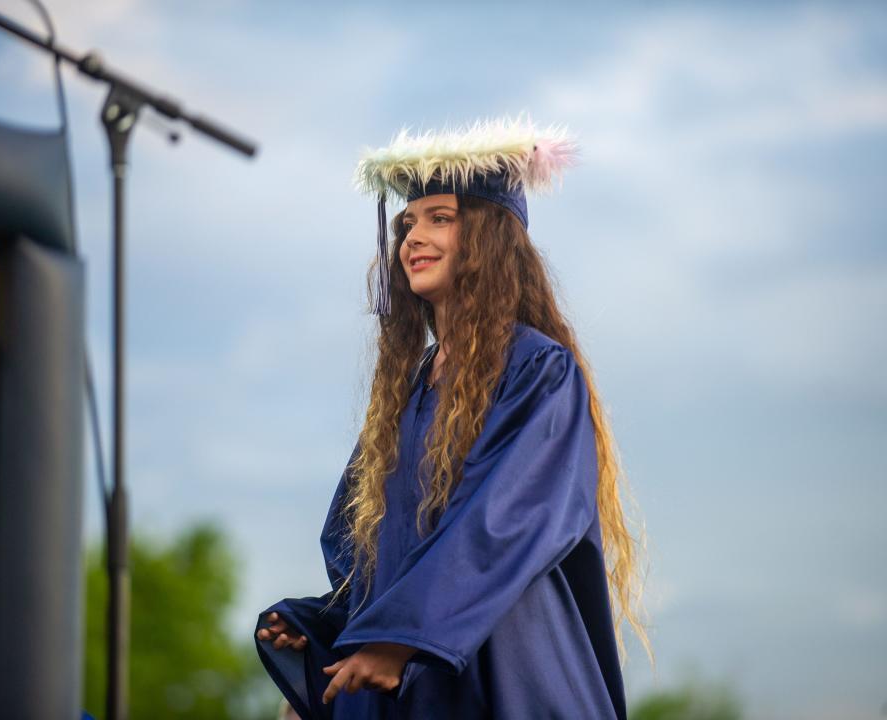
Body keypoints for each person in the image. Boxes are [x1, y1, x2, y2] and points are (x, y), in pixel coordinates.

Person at [255, 117, 652, 719]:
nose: (413, 236)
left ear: (490, 238)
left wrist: (399, 637)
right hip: (409, 677)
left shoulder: (537, 369)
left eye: (440, 218)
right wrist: (324, 625)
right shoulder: (407, 389)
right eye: (408, 222)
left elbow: (508, 520)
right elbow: (365, 549)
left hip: (503, 668)